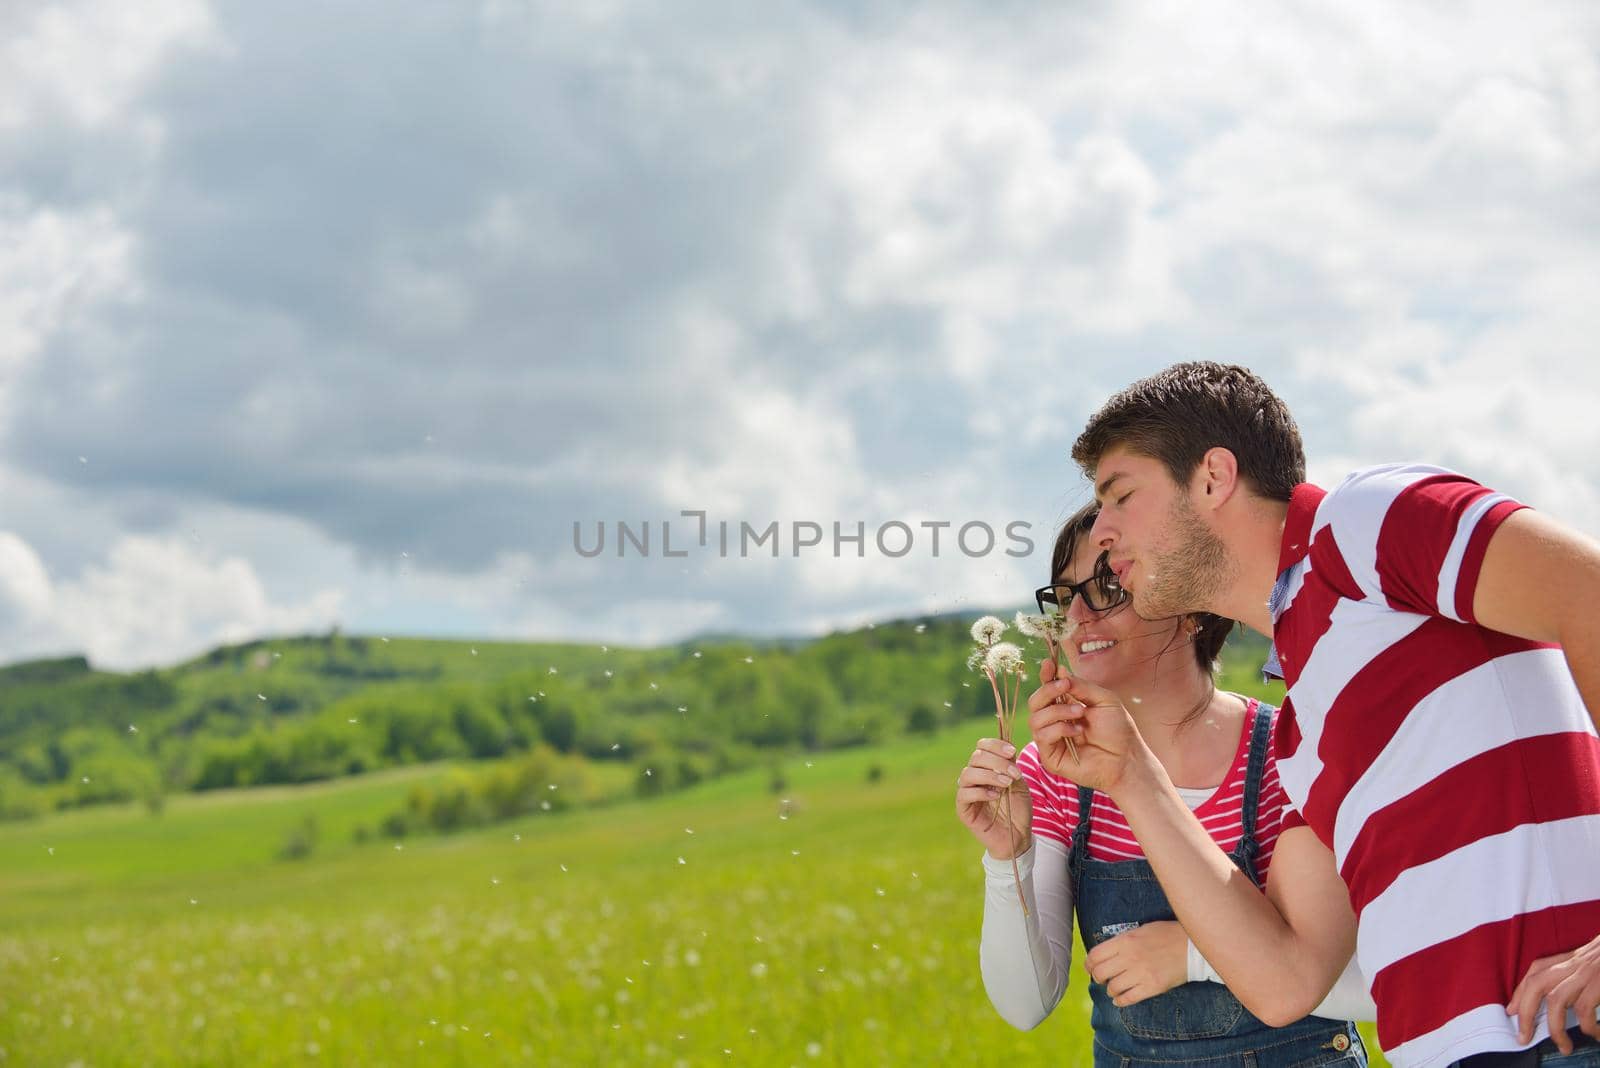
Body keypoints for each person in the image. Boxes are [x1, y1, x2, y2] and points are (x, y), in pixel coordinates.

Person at [1030, 361, 1600, 1067]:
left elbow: (1589, 593)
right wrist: (1130, 775)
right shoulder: (1302, 723)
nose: (1104, 535)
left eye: (1119, 496)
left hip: (1566, 1038)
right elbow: (1284, 984)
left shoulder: (1361, 524)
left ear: (1213, 477)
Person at [958, 502, 1374, 1066]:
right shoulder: (1053, 773)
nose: (1077, 614)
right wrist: (1010, 860)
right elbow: (1024, 1005)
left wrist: (1194, 955)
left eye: (1108, 585)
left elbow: (1378, 985)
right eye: (1064, 595)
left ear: (1191, 605)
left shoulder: (1290, 757)